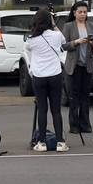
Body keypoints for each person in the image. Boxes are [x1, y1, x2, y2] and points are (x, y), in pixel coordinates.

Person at [24, 9, 69, 152]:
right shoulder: (56, 36)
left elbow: (27, 47)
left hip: (39, 76)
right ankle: (60, 142)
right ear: (50, 21)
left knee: (42, 109)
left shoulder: (32, 39)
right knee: (56, 110)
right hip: (55, 75)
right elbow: (63, 40)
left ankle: (42, 142)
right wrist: (54, 23)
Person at [61, 1, 93, 134]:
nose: (83, 14)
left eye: (84, 12)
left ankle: (85, 124)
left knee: (85, 95)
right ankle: (74, 125)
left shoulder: (91, 25)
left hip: (87, 64)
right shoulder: (69, 26)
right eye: (80, 12)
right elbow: (63, 45)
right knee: (73, 95)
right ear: (74, 13)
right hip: (74, 65)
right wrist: (76, 42)